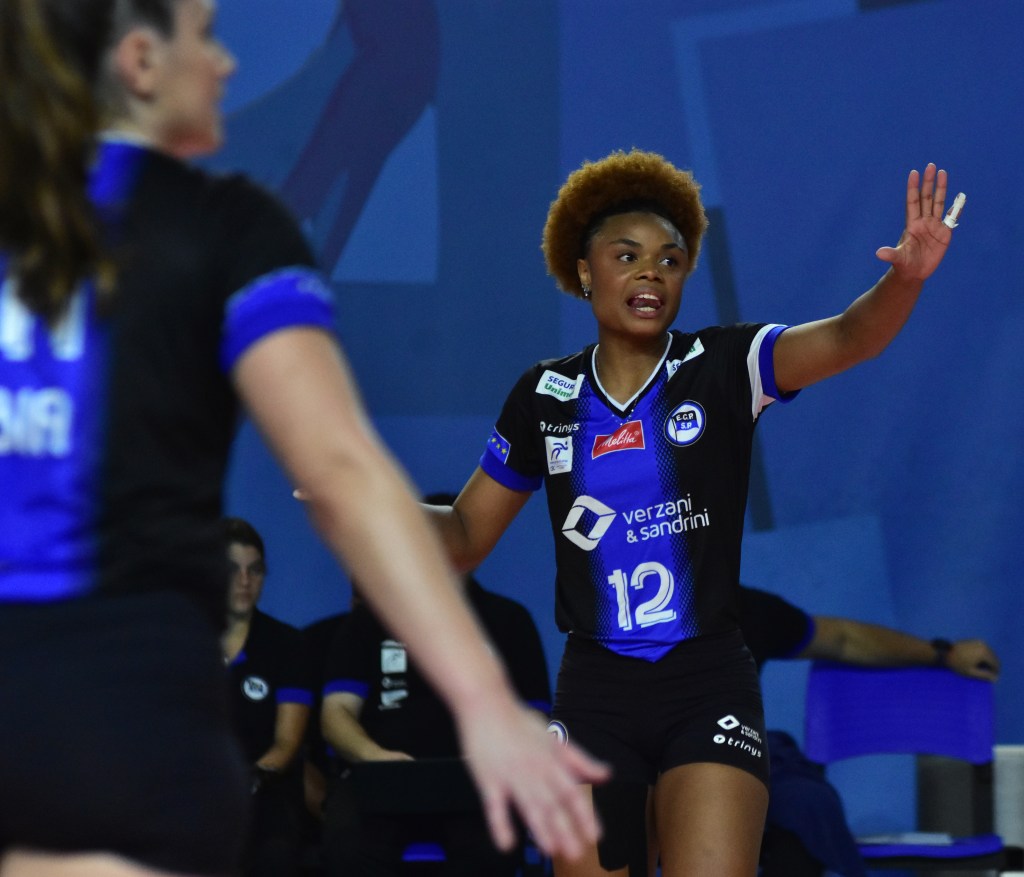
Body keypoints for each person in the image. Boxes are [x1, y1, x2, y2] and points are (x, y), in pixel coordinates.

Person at [0, 3, 606, 877]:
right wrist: (482, 698)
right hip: (127, 694)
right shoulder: (225, 226)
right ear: (138, 61)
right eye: (204, 35)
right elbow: (341, 464)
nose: (225, 63)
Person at [424, 148, 962, 877]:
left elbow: (849, 337)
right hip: (595, 691)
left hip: (707, 683)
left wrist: (905, 280)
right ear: (584, 272)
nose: (652, 272)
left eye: (670, 261)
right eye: (627, 256)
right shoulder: (544, 396)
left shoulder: (725, 365)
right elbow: (462, 537)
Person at [318, 500, 553, 876]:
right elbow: (336, 713)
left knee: (493, 851)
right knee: (347, 849)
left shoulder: (509, 621)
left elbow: (537, 716)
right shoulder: (371, 617)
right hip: (382, 773)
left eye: (452, 540)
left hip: (479, 780)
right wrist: (372, 755)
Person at [738, 583, 999, 877]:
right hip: (697, 760)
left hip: (747, 754)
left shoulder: (741, 607)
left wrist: (942, 654)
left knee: (806, 804)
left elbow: (843, 639)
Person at [222, 518, 312, 877]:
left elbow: (286, 744)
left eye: (255, 570)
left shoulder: (287, 645)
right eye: (233, 570)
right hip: (196, 790)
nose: (245, 581)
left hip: (263, 793)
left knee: (273, 853)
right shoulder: (186, 641)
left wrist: (250, 781)